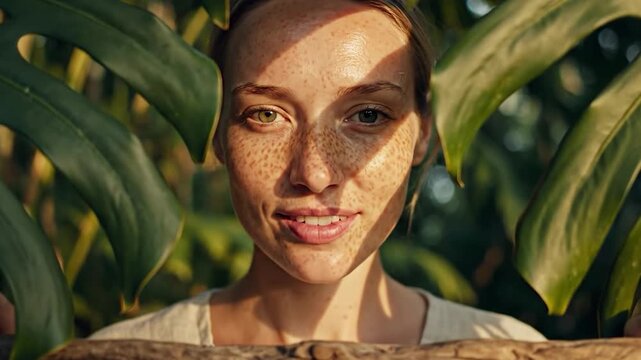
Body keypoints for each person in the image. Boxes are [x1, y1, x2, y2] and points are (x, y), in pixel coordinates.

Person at [86, 0, 634, 345]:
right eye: (266, 115)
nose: (314, 173)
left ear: (422, 131)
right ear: (218, 134)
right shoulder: (119, 349)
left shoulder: (508, 347)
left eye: (367, 115)